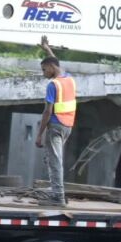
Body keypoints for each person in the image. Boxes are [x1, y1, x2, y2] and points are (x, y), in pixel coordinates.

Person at [34, 37, 75, 206]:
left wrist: (39, 135)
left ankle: (58, 197)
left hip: (56, 127)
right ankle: (56, 192)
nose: (44, 74)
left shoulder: (53, 85)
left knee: (55, 161)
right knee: (53, 159)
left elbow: (47, 112)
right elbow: (56, 62)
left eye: (44, 70)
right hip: (68, 126)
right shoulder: (68, 78)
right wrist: (47, 49)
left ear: (51, 68)